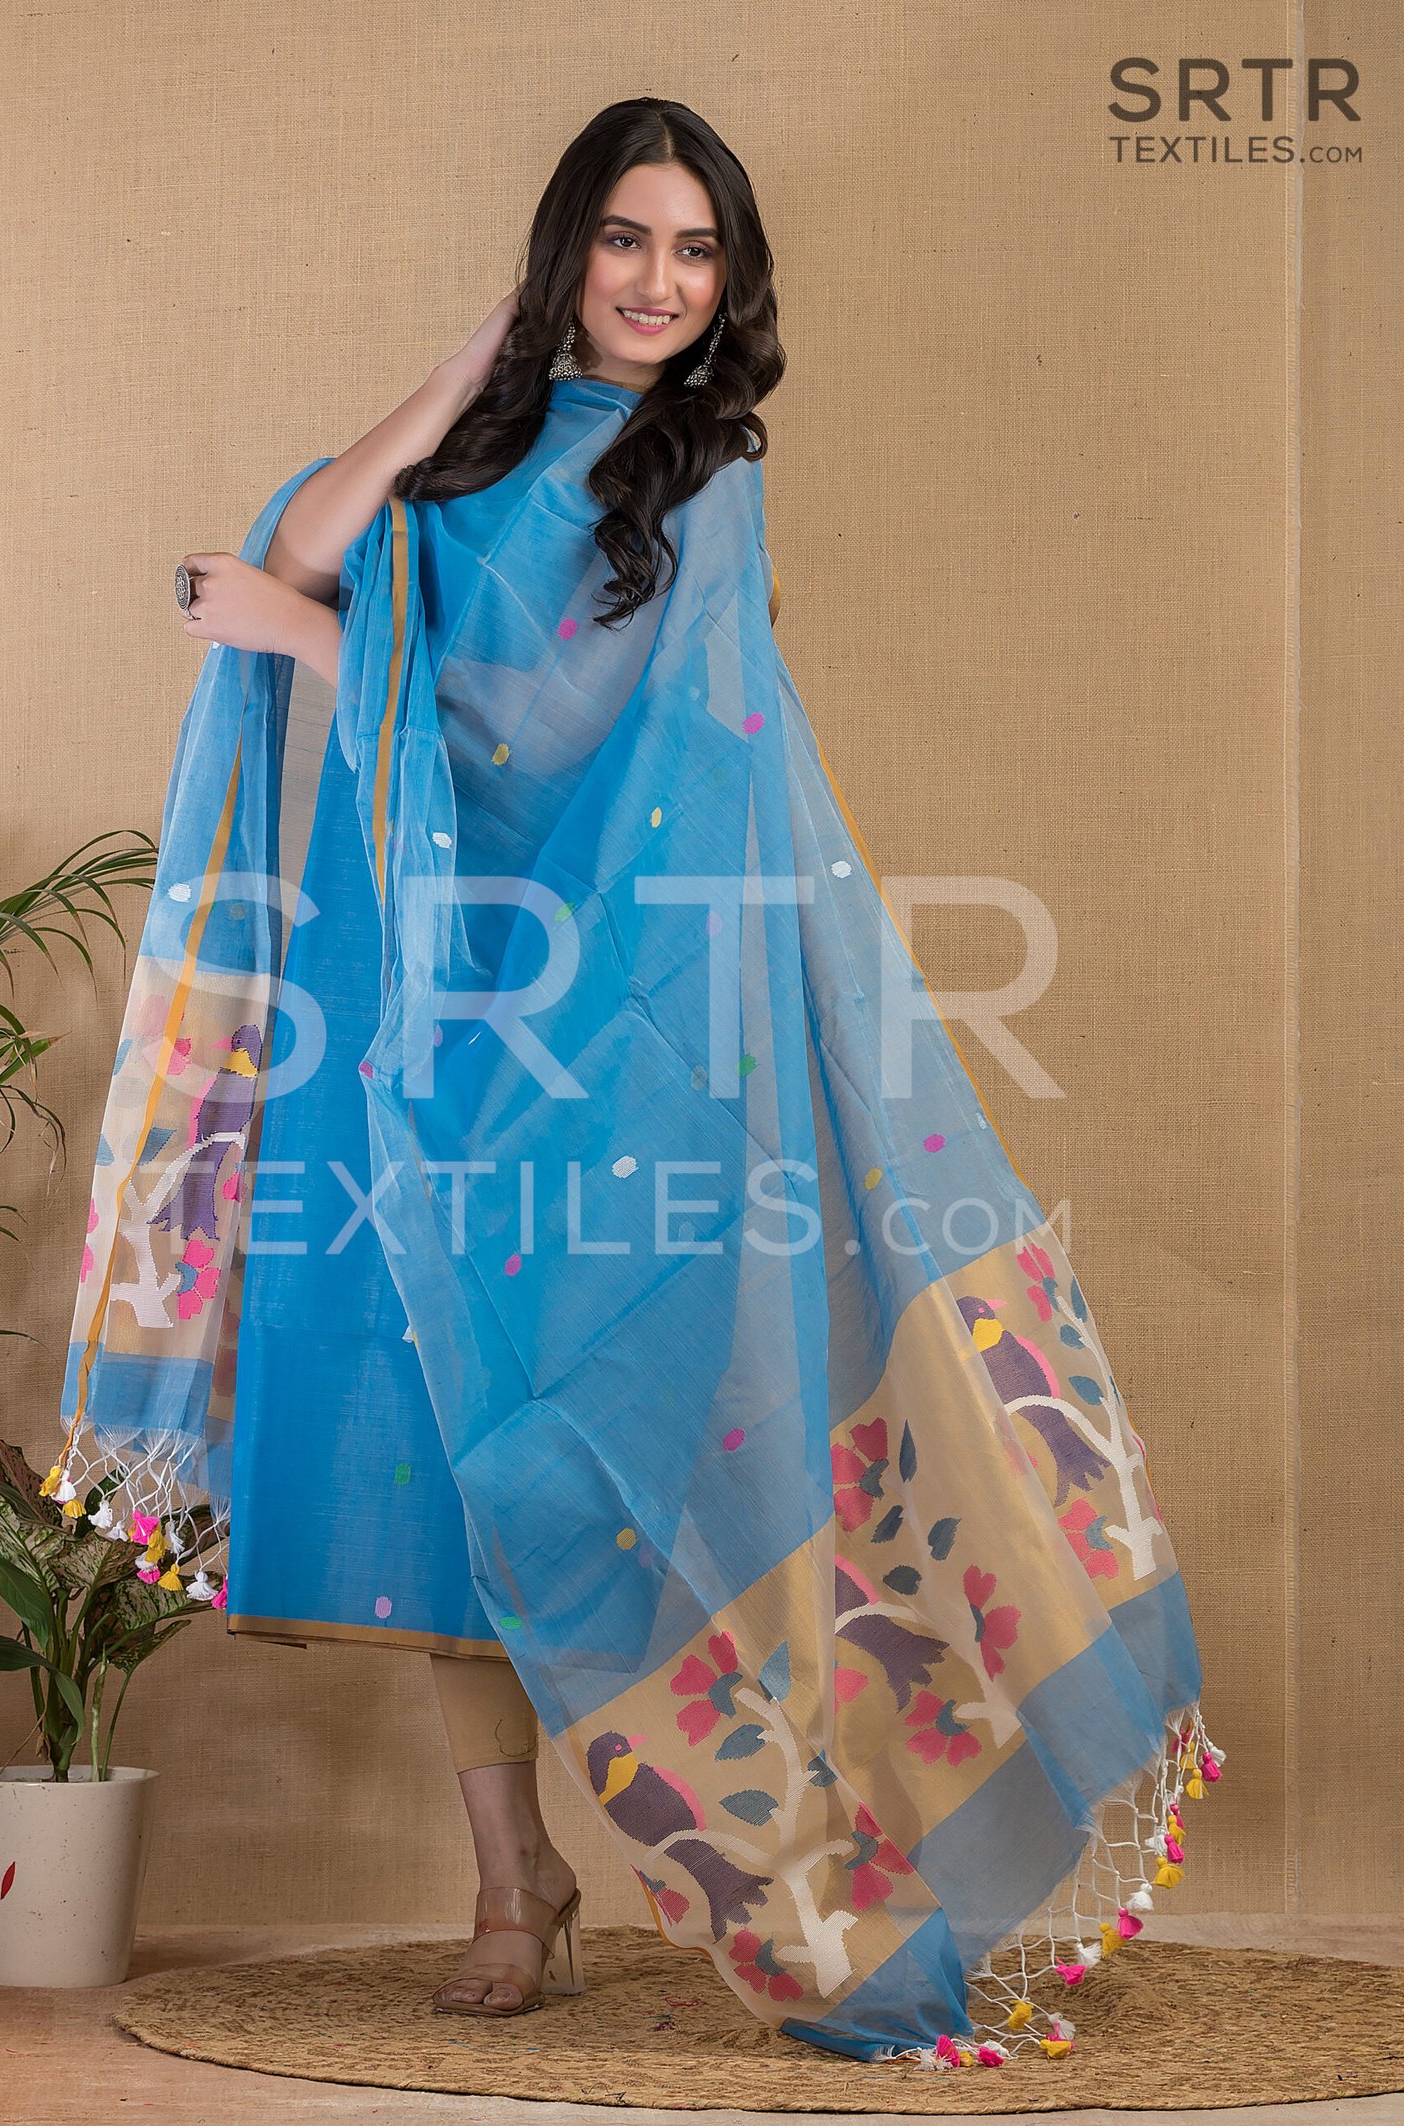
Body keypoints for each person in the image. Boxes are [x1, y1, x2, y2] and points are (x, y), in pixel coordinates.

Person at [61, 98, 1221, 2066]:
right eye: (621, 239)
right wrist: (462, 377)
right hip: (437, 1015)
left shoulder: (703, 480)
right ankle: (514, 1883)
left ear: (729, 281)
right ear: (564, 252)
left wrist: (317, 649)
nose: (658, 283)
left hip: (629, 1039)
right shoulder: (476, 456)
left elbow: (564, 737)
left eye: (694, 251)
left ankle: (798, 1858)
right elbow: (299, 544)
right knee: (458, 1453)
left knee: (620, 1447)